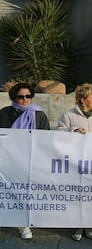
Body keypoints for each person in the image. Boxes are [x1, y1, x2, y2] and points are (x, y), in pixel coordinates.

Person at [56, 83, 92, 241]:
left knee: (91, 194)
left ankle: (89, 226)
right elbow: (58, 132)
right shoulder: (69, 115)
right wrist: (73, 131)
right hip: (76, 161)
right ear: (82, 100)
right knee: (79, 195)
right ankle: (77, 226)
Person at [0, 82, 50, 240]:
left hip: (28, 160)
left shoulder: (39, 115)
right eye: (21, 97)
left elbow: (46, 137)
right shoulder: (4, 113)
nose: (25, 100)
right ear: (14, 97)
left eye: (28, 96)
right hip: (7, 159)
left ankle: (23, 225)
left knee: (23, 193)